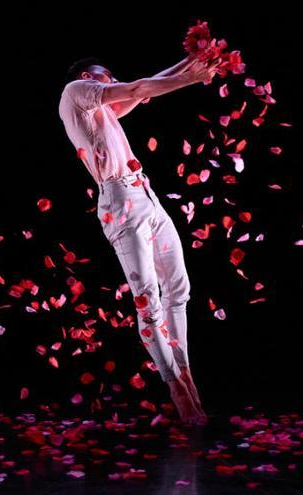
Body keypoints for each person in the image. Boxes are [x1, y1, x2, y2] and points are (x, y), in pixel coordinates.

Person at [58, 54, 221, 426]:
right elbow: (137, 87)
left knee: (179, 289)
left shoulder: (106, 116)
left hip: (145, 196)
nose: (112, 82)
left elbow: (144, 86)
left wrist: (191, 61)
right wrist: (195, 79)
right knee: (148, 298)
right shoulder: (76, 92)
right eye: (107, 78)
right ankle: (175, 387)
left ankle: (186, 373)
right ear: (89, 78)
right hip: (120, 202)